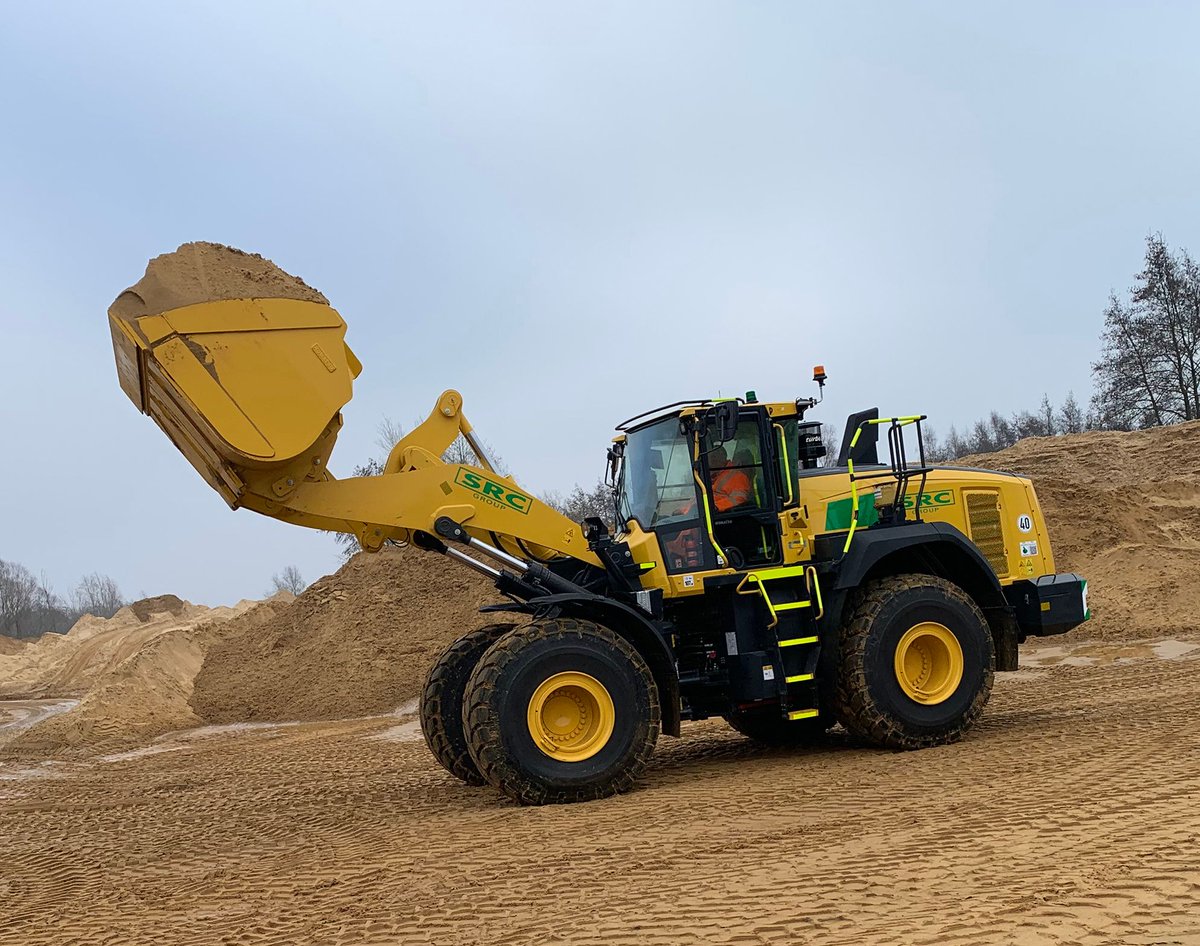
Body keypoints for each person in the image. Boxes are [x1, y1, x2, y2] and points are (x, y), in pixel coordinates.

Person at [709, 445, 751, 512]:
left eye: (714, 457)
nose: (711, 461)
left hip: (722, 514)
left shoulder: (737, 476)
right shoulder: (714, 475)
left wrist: (716, 507)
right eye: (710, 458)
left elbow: (738, 499)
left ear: (723, 458)